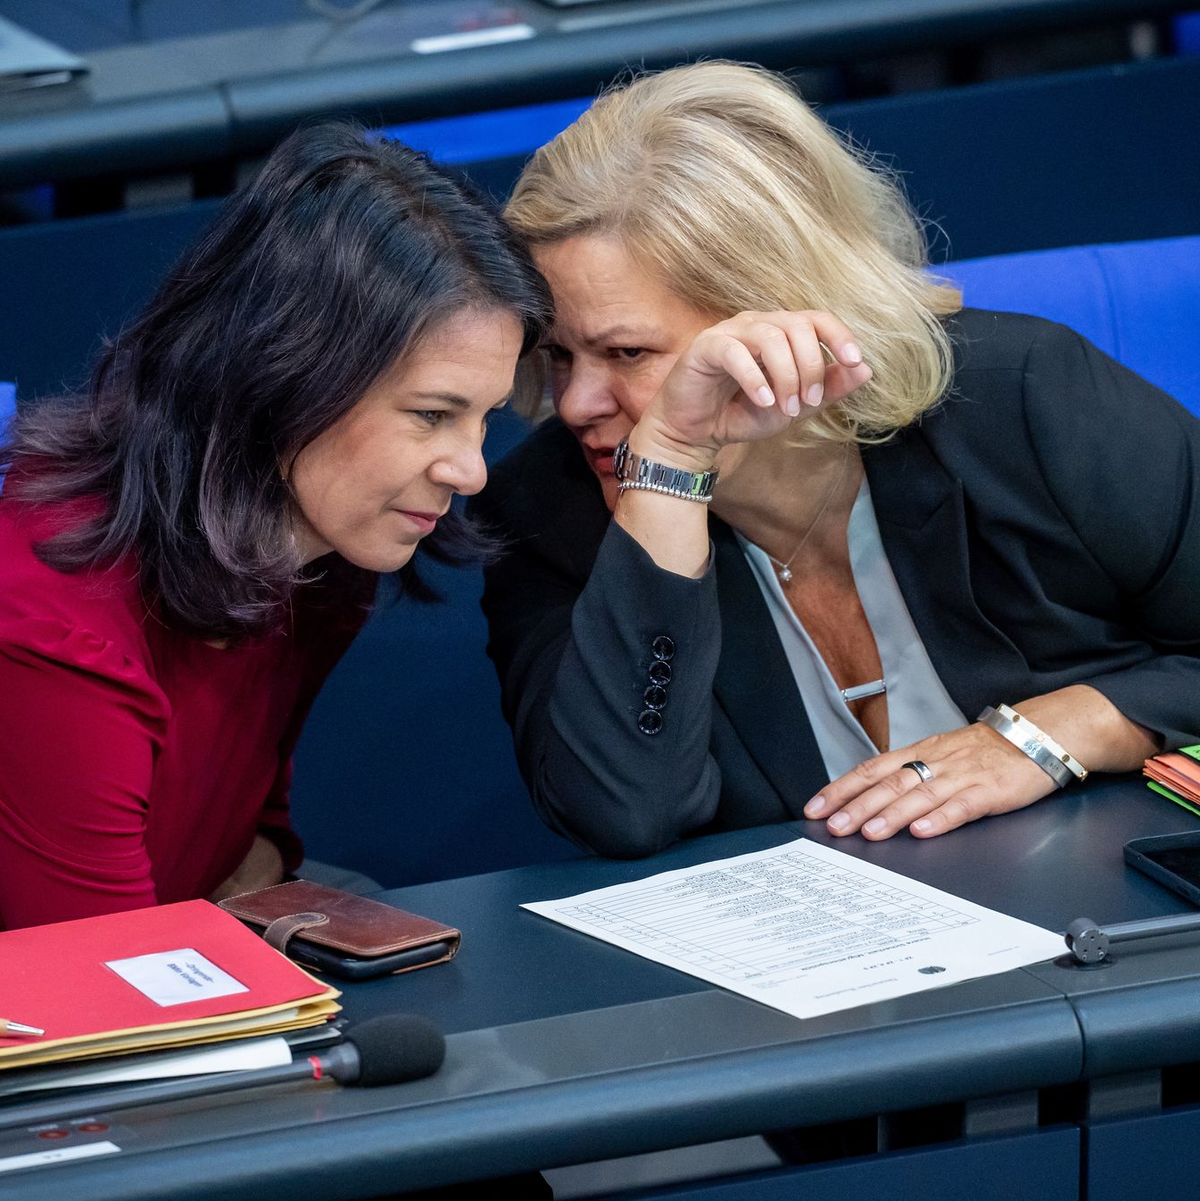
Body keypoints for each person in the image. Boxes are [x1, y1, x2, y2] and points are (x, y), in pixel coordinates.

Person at [472, 61, 1200, 859]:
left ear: (783, 314)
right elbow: (620, 812)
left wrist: (1066, 727)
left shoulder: (1022, 402)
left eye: (627, 352)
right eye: (558, 356)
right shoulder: (546, 512)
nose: (576, 403)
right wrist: (671, 469)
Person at [0, 123, 552, 931]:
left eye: (483, 420)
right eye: (432, 415)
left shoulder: (328, 550)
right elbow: (109, 1002)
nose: (470, 470)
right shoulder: (52, 628)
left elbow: (259, 849)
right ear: (288, 374)